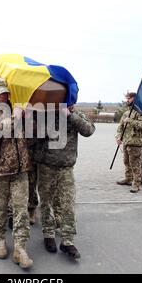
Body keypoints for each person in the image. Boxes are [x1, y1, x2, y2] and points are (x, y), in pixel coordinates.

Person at [0, 78, 33, 269]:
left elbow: (31, 134)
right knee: (0, 208)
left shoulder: (17, 108)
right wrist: (14, 118)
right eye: (0, 93)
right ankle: (0, 240)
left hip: (20, 169)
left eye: (6, 93)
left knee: (21, 209)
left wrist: (28, 118)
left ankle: (21, 248)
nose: (4, 96)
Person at [34, 105, 95, 259]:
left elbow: (88, 130)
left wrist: (69, 115)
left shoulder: (75, 114)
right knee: (46, 202)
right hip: (46, 166)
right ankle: (48, 234)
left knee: (68, 203)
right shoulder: (44, 114)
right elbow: (32, 137)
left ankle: (67, 241)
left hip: (66, 168)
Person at [115, 92, 142, 193]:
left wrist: (131, 121)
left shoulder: (141, 112)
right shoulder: (126, 113)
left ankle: (136, 184)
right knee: (126, 162)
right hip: (126, 142)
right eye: (126, 98)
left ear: (134, 99)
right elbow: (120, 126)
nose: (127, 100)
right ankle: (128, 179)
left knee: (135, 164)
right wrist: (118, 136)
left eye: (129, 98)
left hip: (136, 143)